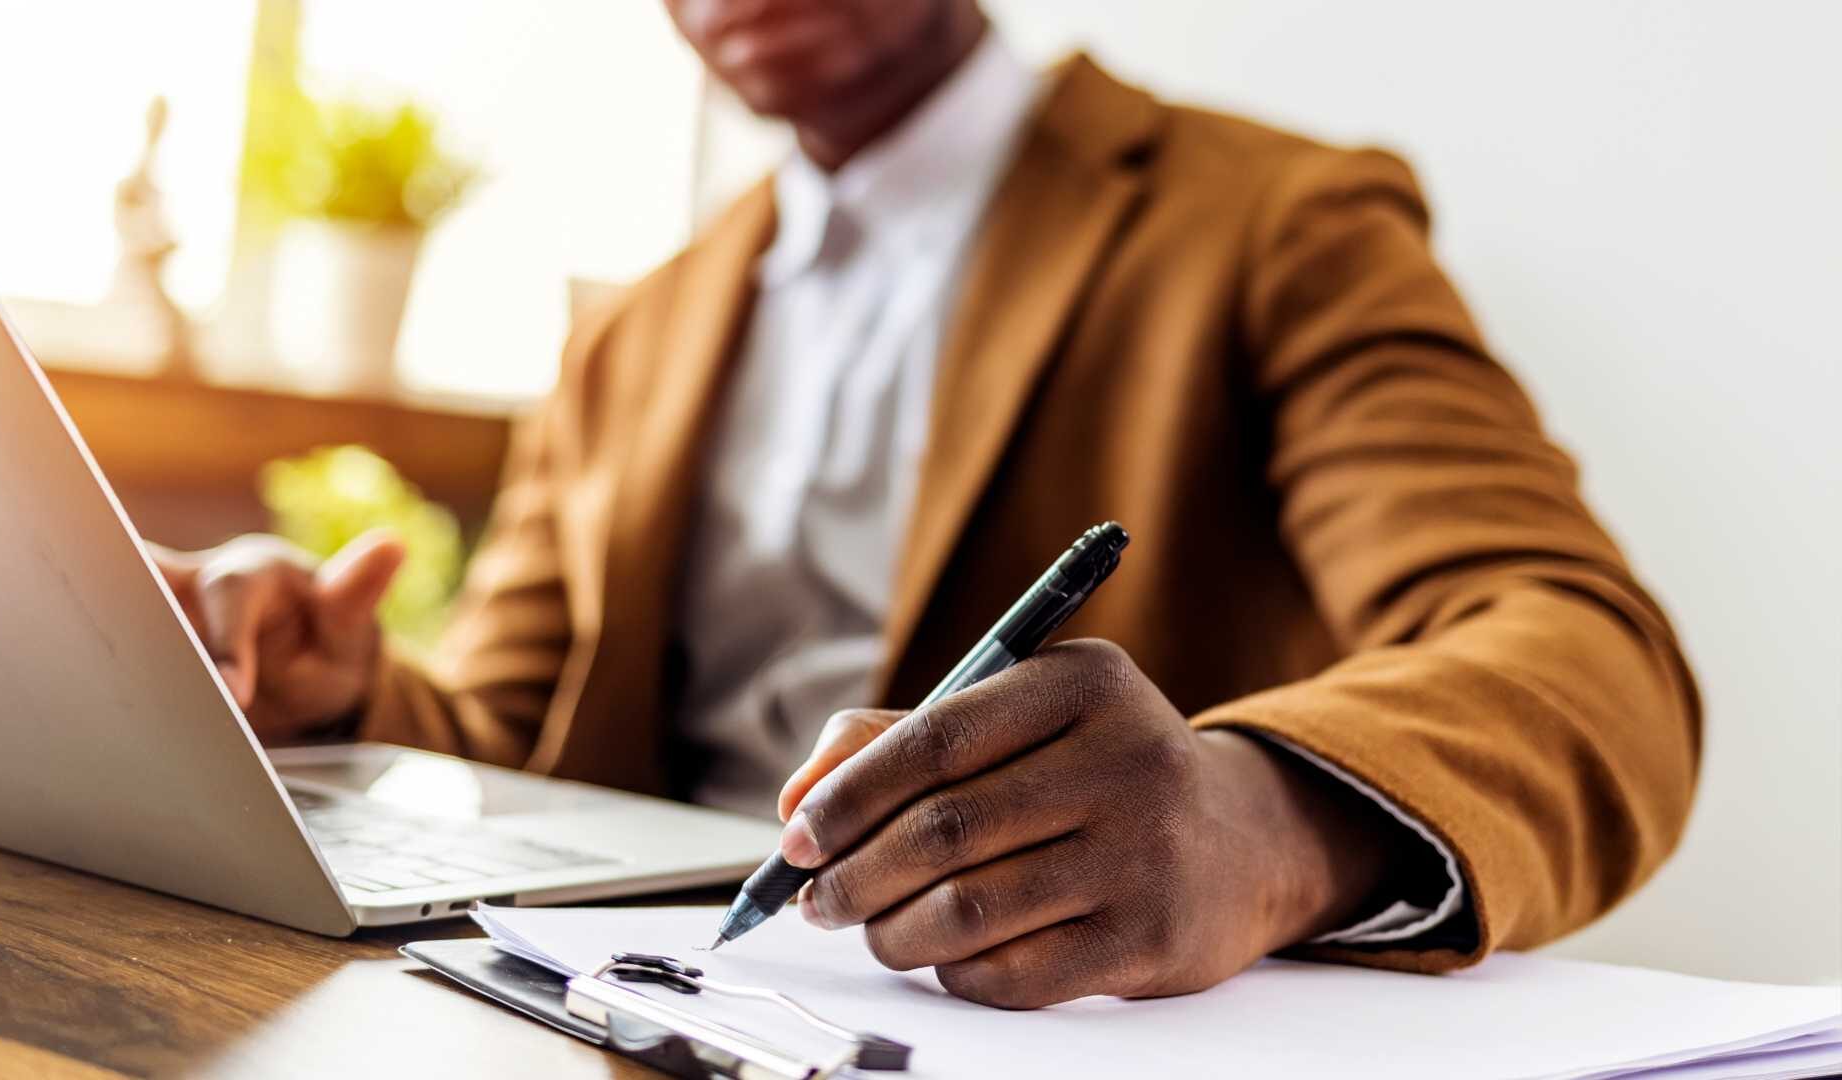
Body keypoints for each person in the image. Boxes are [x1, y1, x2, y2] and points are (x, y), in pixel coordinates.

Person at [151, 0, 1700, 1009]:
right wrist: (346, 683)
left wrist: (1258, 817)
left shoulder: (1275, 221)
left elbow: (1580, 651)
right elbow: (511, 729)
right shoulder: (641, 327)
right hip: (633, 1007)